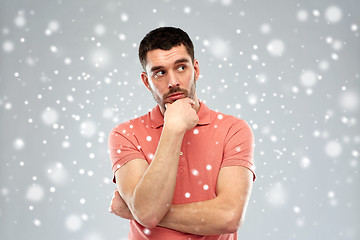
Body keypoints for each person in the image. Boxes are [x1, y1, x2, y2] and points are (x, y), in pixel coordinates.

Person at [108, 27, 256, 240]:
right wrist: (173, 128)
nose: (172, 82)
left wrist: (136, 212)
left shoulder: (233, 130)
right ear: (145, 81)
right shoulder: (125, 135)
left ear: (195, 69)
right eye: (160, 72)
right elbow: (148, 212)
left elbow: (229, 217)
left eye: (181, 67)